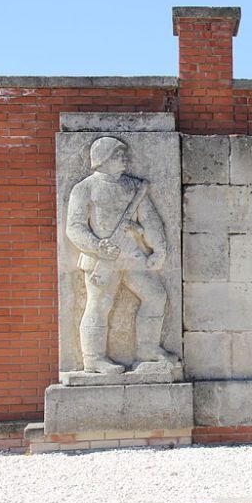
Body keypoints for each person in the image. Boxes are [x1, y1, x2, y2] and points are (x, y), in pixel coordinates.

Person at [66, 137, 178, 373]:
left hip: (131, 255)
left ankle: (147, 349)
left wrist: (159, 249)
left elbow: (150, 219)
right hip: (102, 260)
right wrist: (97, 246)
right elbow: (74, 227)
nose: (124, 159)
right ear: (103, 159)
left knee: (156, 295)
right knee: (99, 303)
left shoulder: (134, 187)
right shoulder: (85, 188)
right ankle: (93, 359)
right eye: (118, 155)